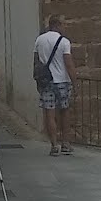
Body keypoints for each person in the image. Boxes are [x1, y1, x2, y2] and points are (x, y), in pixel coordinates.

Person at [32, 16, 74, 156]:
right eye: (63, 24)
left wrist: (37, 80)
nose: (64, 27)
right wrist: (75, 81)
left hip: (46, 81)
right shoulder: (64, 42)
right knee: (64, 111)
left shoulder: (39, 40)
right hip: (62, 80)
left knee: (49, 114)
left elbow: (36, 61)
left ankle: (54, 145)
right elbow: (68, 63)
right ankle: (66, 143)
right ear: (57, 25)